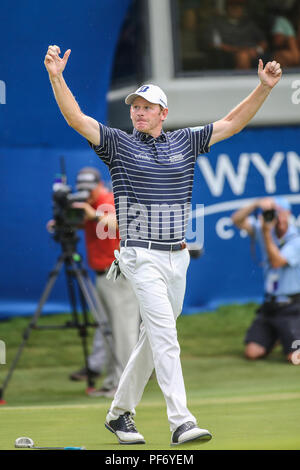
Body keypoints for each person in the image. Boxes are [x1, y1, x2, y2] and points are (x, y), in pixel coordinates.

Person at [44, 43, 281, 446]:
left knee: (154, 340)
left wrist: (265, 88)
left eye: (147, 107)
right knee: (166, 337)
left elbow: (231, 124)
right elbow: (76, 118)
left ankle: (120, 414)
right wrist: (56, 75)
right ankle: (181, 422)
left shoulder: (186, 141)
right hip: (139, 255)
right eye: (135, 106)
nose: (138, 111)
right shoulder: (119, 144)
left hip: (178, 257)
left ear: (163, 113)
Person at [50, 167, 140, 397]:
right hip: (102, 274)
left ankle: (125, 386)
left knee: (124, 332)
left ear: (98, 185)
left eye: (89, 190)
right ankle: (112, 383)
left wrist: (94, 214)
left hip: (118, 273)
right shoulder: (89, 203)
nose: (86, 195)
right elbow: (93, 227)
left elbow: (122, 222)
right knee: (109, 331)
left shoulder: (109, 199)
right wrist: (64, 223)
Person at [231, 197, 300, 363]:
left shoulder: (296, 240)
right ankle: (277, 336)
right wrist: (255, 204)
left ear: (287, 214)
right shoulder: (262, 229)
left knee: (295, 358)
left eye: (279, 213)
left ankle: (289, 337)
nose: (276, 217)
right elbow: (237, 220)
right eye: (272, 213)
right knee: (252, 352)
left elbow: (276, 262)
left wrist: (266, 233)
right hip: (270, 306)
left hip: (292, 307)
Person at [205, 0, 268, 69]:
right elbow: (215, 44)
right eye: (233, 6)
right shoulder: (217, 24)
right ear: (226, 8)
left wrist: (257, 50)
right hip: (229, 55)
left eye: (239, 6)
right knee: (243, 56)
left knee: (280, 55)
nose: (236, 9)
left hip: (253, 53)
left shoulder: (249, 23)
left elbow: (263, 41)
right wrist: (238, 50)